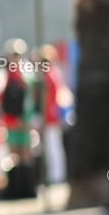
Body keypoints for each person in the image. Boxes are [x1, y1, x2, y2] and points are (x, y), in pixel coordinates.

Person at [38, 44, 72, 185]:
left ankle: (56, 176)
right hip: (53, 114)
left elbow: (46, 98)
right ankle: (56, 174)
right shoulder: (55, 72)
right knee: (54, 146)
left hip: (51, 115)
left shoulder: (49, 75)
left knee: (53, 146)